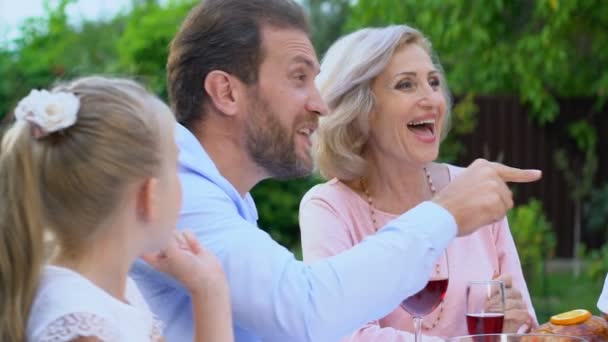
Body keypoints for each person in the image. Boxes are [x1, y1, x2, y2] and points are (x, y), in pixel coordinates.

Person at [130, 1, 542, 341]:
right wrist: (446, 214)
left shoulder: (223, 201)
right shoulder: (176, 197)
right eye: (298, 78)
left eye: (434, 82)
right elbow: (309, 312)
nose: (320, 104)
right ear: (226, 91)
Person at [298, 25, 537, 341]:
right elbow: (344, 334)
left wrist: (516, 326)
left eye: (434, 82)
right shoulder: (329, 207)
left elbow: (527, 325)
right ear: (361, 108)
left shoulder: (472, 188)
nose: (432, 99)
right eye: (406, 84)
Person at [0, 76, 233, 341]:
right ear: (150, 194)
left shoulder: (112, 292)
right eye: (175, 168)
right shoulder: (79, 319)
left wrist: (209, 289)